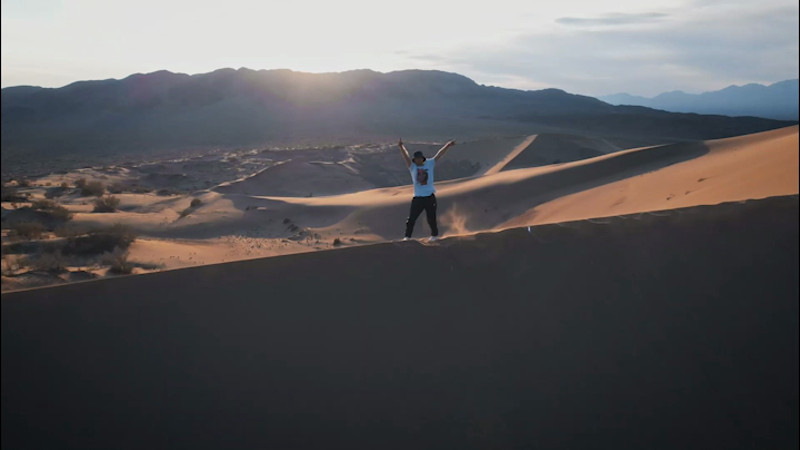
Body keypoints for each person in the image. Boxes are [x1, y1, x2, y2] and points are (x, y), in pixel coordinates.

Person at [398, 138, 456, 241]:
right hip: (418, 198)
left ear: (422, 158)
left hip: (429, 197)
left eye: (419, 158)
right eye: (416, 159)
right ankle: (407, 237)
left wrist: (447, 145)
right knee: (411, 219)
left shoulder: (430, 163)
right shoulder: (412, 167)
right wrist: (401, 147)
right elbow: (405, 157)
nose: (418, 160)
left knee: (431, 218)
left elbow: (439, 154)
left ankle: (434, 236)